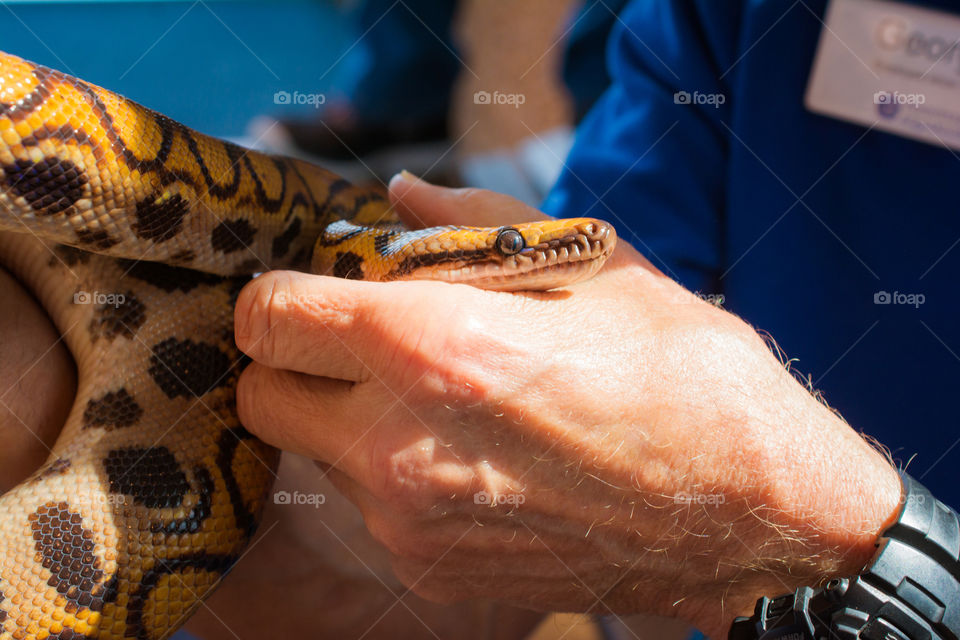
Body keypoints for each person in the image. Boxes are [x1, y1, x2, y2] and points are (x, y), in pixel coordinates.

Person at [232, 0, 960, 636]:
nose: (591, 244)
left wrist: (819, 551)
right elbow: (465, 592)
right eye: (515, 249)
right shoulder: (727, 17)